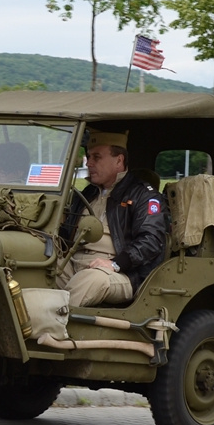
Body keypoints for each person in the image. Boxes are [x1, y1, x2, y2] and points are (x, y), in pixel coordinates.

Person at [57, 128, 168, 307]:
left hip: (120, 273)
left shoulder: (143, 195)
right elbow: (66, 232)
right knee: (40, 264)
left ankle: (52, 325)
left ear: (119, 160)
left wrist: (116, 264)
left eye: (97, 157)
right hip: (74, 263)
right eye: (88, 156)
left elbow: (151, 240)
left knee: (92, 280)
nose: (89, 163)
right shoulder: (87, 193)